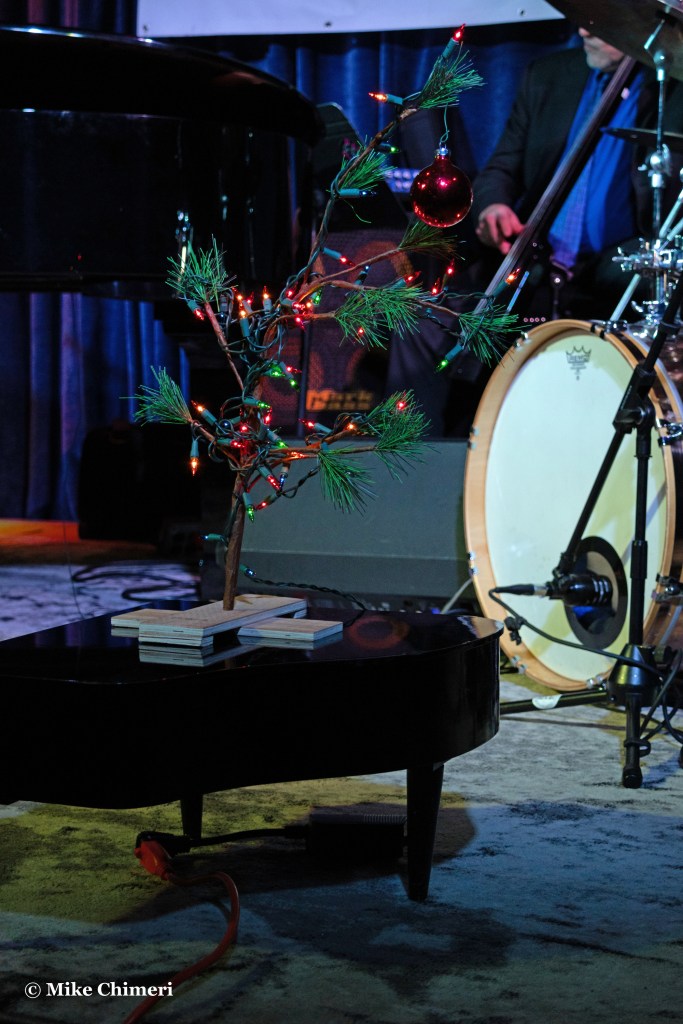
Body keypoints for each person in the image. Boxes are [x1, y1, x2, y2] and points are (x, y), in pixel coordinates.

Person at [385, 26, 683, 435]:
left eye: (603, 17)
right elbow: (501, 168)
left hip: (618, 274)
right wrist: (494, 206)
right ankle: (424, 458)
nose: (584, 28)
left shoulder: (673, 86)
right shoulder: (551, 75)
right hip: (535, 262)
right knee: (421, 317)